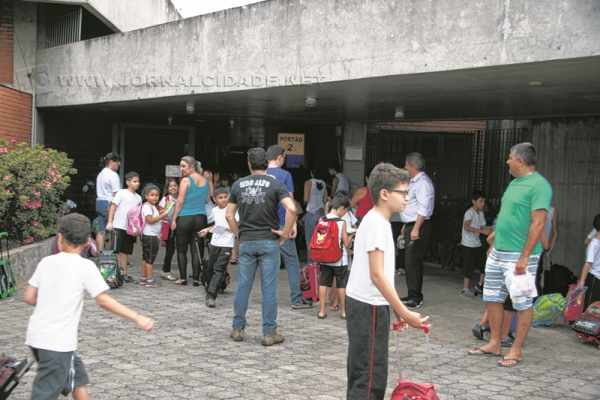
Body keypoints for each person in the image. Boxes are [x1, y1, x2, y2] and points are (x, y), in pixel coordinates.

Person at [24, 213, 154, 400]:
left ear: (59, 238)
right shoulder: (85, 266)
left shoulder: (46, 262)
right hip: (57, 343)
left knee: (77, 381)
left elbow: (29, 297)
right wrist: (137, 317)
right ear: (87, 242)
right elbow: (103, 300)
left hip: (37, 336)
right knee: (45, 393)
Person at [346, 163, 429, 400]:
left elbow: (379, 275)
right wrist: (403, 311)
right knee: (369, 378)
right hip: (368, 306)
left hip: (370, 304)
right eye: (403, 193)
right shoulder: (376, 223)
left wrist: (392, 309)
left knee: (368, 372)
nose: (407, 198)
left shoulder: (377, 221)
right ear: (384, 193)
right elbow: (377, 274)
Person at [469, 142, 552, 368]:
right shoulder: (514, 183)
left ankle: (516, 350)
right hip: (499, 252)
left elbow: (538, 223)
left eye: (510, 157)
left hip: (520, 256)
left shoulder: (539, 186)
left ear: (520, 161)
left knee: (522, 302)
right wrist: (495, 238)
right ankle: (495, 343)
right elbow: (509, 215)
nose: (507, 161)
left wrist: (525, 256)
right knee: (492, 297)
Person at [227, 147, 297, 346]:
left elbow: (229, 215)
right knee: (269, 288)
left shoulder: (238, 184)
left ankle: (238, 329)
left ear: (249, 163)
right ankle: (269, 332)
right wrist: (285, 232)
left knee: (243, 286)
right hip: (269, 240)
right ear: (266, 163)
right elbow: (292, 208)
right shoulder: (275, 184)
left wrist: (238, 234)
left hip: (247, 241)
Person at [266, 145, 312, 309]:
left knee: (267, 262)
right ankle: (296, 299)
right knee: (292, 261)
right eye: (284, 158)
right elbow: (290, 204)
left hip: (263, 224)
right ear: (279, 157)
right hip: (281, 223)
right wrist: (292, 225)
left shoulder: (260, 175)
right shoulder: (285, 175)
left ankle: (268, 299)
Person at [400, 152, 435, 309]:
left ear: (412, 166)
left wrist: (415, 228)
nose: (405, 168)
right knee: (410, 262)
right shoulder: (415, 181)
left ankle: (416, 297)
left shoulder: (423, 183)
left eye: (406, 165)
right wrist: (406, 226)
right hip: (412, 224)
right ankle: (412, 293)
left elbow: (423, 208)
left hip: (418, 225)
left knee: (413, 262)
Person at [171, 156, 212, 286]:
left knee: (181, 249)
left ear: (192, 166)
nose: (181, 169)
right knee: (197, 249)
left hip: (185, 217)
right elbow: (207, 199)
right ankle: (196, 278)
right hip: (201, 217)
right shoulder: (205, 180)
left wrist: (174, 219)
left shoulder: (185, 180)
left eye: (183, 166)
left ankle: (183, 278)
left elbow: (180, 201)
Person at [199, 187, 237, 308]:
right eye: (220, 198)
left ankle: (211, 296)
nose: (223, 199)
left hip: (227, 244)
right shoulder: (214, 210)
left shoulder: (233, 210)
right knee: (210, 268)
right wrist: (207, 229)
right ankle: (212, 286)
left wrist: (227, 229)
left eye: (225, 197)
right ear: (214, 200)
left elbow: (236, 227)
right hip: (214, 243)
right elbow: (216, 225)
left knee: (219, 269)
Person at [317, 194, 352, 320]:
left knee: (323, 283)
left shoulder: (321, 220)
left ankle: (321, 311)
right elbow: (346, 244)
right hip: (339, 259)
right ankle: (343, 312)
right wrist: (352, 234)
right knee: (341, 285)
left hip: (324, 258)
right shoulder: (341, 222)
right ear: (341, 208)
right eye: (345, 211)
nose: (345, 213)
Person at [106, 172, 142, 283]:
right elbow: (113, 207)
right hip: (118, 225)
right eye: (134, 181)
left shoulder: (139, 198)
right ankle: (115, 273)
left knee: (125, 251)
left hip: (130, 229)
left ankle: (124, 274)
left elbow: (137, 215)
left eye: (138, 181)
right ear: (127, 182)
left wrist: (138, 228)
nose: (137, 183)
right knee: (116, 251)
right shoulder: (121, 193)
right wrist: (110, 222)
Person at [460, 190, 491, 297]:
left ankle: (479, 285)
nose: (483, 204)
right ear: (474, 201)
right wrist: (480, 231)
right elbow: (466, 226)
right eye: (480, 201)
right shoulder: (469, 212)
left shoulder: (480, 213)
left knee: (483, 265)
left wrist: (492, 228)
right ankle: (465, 288)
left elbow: (482, 226)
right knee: (468, 266)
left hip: (477, 243)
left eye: (484, 201)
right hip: (468, 244)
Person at [140, 184, 168, 288]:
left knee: (146, 258)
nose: (155, 197)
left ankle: (144, 278)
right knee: (150, 260)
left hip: (150, 235)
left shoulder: (152, 206)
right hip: (150, 236)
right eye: (152, 195)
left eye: (157, 195)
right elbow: (150, 220)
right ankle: (149, 280)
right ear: (146, 196)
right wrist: (162, 216)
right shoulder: (147, 206)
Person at [95, 152, 121, 252]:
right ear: (111, 162)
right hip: (109, 203)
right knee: (112, 229)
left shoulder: (101, 174)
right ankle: (111, 254)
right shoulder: (113, 175)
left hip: (99, 202)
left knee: (100, 230)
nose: (119, 164)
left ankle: (100, 253)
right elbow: (116, 194)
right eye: (117, 162)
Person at [577, 214, 600, 310]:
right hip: (594, 279)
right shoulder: (594, 244)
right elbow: (588, 264)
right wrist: (581, 283)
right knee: (590, 307)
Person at [303, 168, 328, 250]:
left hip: (311, 212)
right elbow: (325, 199)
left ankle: (311, 257)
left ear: (311, 173)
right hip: (321, 213)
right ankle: (319, 257)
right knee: (320, 239)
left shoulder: (308, 182)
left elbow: (306, 199)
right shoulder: (324, 183)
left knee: (309, 240)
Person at [159, 178, 178, 281]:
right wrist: (168, 207)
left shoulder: (181, 198)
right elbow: (161, 213)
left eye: (175, 185)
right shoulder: (165, 199)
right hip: (168, 227)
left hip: (179, 226)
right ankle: (165, 271)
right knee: (170, 250)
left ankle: (166, 270)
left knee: (174, 249)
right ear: (167, 188)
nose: (173, 188)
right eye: (170, 186)